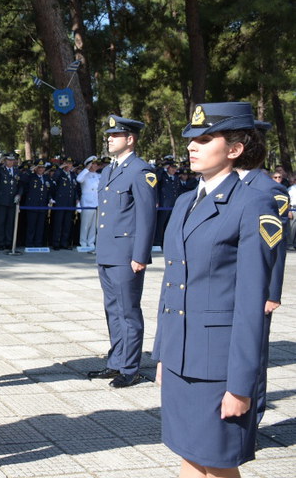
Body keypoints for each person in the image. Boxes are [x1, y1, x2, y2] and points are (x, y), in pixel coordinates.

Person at [153, 102, 281, 478]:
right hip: (180, 357)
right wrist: (163, 353)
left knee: (219, 464)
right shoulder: (182, 202)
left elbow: (249, 302)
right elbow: (173, 283)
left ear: (235, 149)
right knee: (190, 456)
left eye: (205, 138)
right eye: (191, 138)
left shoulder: (253, 204)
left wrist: (242, 386)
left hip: (217, 366)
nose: (192, 146)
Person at [88, 115, 157, 388]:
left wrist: (140, 255)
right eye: (108, 135)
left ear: (130, 139)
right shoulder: (108, 170)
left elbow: (146, 216)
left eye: (114, 135)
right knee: (112, 309)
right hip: (107, 250)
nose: (109, 139)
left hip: (127, 254)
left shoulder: (141, 171)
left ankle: (130, 367)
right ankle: (116, 362)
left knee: (128, 310)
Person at [240, 121, 289, 428]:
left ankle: (253, 417)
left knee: (254, 356)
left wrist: (272, 293)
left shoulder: (269, 189)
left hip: (256, 289)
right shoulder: (224, 183)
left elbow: (276, 249)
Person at [19, 159, 51, 247]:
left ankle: (38, 243)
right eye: (39, 167)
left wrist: (50, 199)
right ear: (36, 168)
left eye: (43, 168)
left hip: (42, 205)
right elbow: (22, 179)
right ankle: (29, 243)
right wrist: (31, 170)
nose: (41, 169)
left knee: (40, 226)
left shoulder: (46, 178)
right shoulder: (31, 176)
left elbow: (48, 190)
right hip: (32, 205)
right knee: (31, 226)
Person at [50, 157, 79, 250]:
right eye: (67, 163)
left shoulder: (73, 175)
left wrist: (77, 199)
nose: (68, 165)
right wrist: (60, 168)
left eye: (70, 164)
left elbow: (75, 189)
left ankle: (64, 243)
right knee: (58, 224)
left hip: (70, 203)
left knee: (67, 224)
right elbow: (54, 179)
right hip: (60, 202)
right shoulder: (60, 173)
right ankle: (56, 243)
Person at [76, 155, 101, 252]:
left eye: (96, 164)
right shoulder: (84, 174)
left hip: (96, 203)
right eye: (93, 164)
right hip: (87, 203)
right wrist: (86, 169)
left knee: (94, 226)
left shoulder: (99, 175)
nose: (96, 166)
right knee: (85, 225)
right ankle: (83, 242)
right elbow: (79, 179)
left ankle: (91, 243)